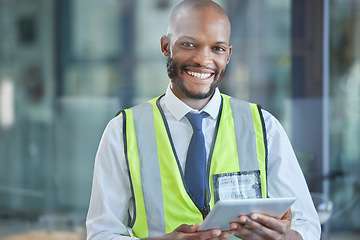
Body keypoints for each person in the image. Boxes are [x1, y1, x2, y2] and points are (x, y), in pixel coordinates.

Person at [86, 0, 321, 239]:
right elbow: (101, 233)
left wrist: (288, 237)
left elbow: (307, 224)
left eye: (217, 48)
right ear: (166, 46)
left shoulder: (264, 126)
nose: (203, 59)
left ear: (228, 55)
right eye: (189, 44)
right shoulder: (123, 131)